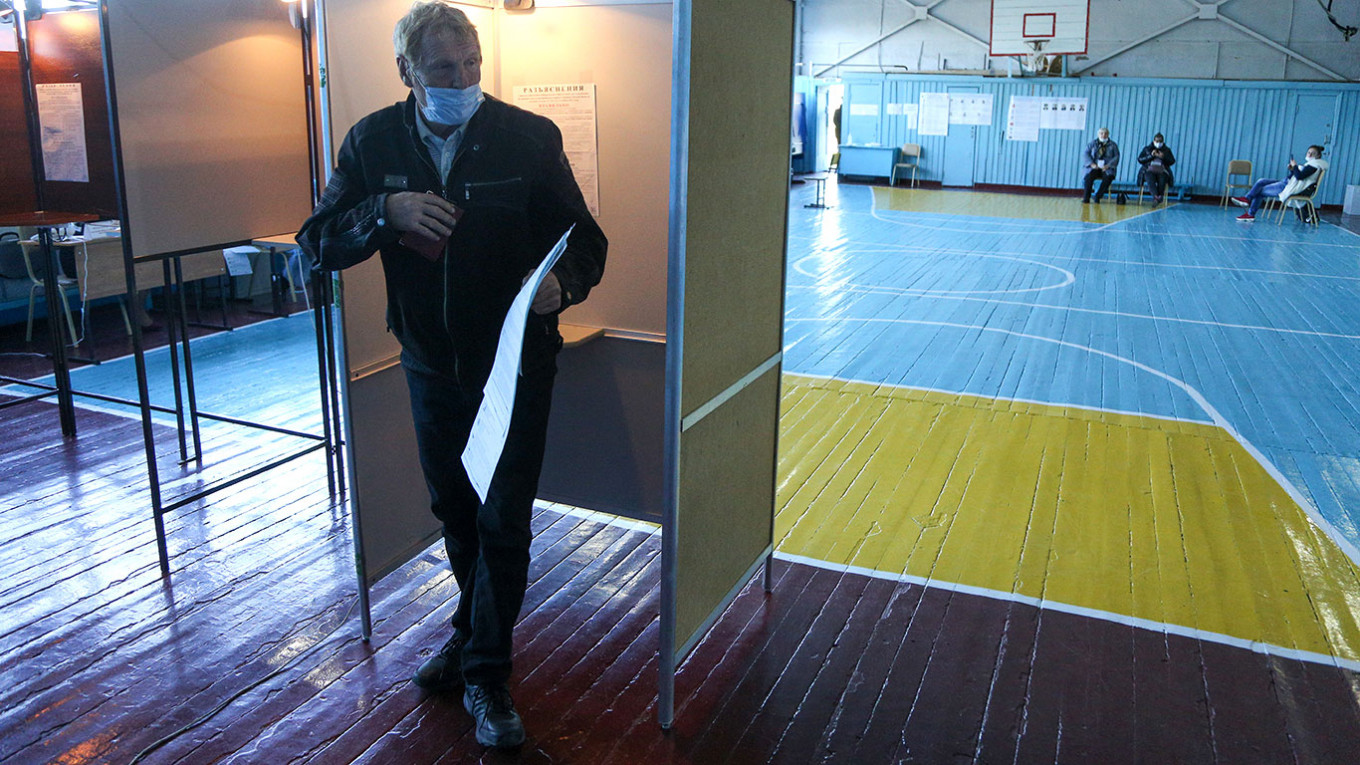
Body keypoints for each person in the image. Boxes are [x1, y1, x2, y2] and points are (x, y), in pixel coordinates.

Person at [296, 0, 606, 749]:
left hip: (516, 365)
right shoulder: (371, 142)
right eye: (443, 68)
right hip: (430, 365)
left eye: (471, 65)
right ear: (406, 70)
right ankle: (473, 641)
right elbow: (316, 242)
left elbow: (585, 242)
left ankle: (486, 675)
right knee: (456, 512)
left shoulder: (528, 137)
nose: (462, 79)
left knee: (503, 520)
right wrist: (385, 209)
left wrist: (565, 283)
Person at [1231, 145, 1329, 222]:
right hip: (1287, 182)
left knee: (1259, 191)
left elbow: (1300, 177)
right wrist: (1292, 169)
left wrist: (1295, 166)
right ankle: (1247, 199)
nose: (1310, 155)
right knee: (1261, 181)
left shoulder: (1315, 166)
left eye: (1313, 153)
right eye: (1309, 152)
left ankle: (1250, 213)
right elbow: (1296, 176)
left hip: (1288, 187)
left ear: (1318, 156)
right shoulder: (1311, 164)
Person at [1081, 127, 1119, 203]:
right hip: (1094, 167)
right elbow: (1085, 154)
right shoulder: (1092, 144)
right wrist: (1092, 164)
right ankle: (1086, 198)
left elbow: (1116, 156)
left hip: (1107, 168)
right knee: (1088, 178)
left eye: (1105, 133)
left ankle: (1098, 196)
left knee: (1108, 178)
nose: (1103, 135)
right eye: (1101, 133)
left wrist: (1108, 166)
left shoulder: (1113, 145)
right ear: (1098, 134)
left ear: (1108, 134)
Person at [1136, 133, 1176, 205]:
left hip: (1163, 170)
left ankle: (1159, 196)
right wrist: (1151, 156)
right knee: (1149, 178)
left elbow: (1172, 161)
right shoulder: (1147, 149)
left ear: (1163, 142)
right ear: (1154, 141)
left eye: (1160, 141)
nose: (1158, 143)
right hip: (1149, 169)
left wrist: (1163, 157)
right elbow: (1140, 159)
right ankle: (1156, 197)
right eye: (1157, 141)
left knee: (1162, 179)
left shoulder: (1167, 150)